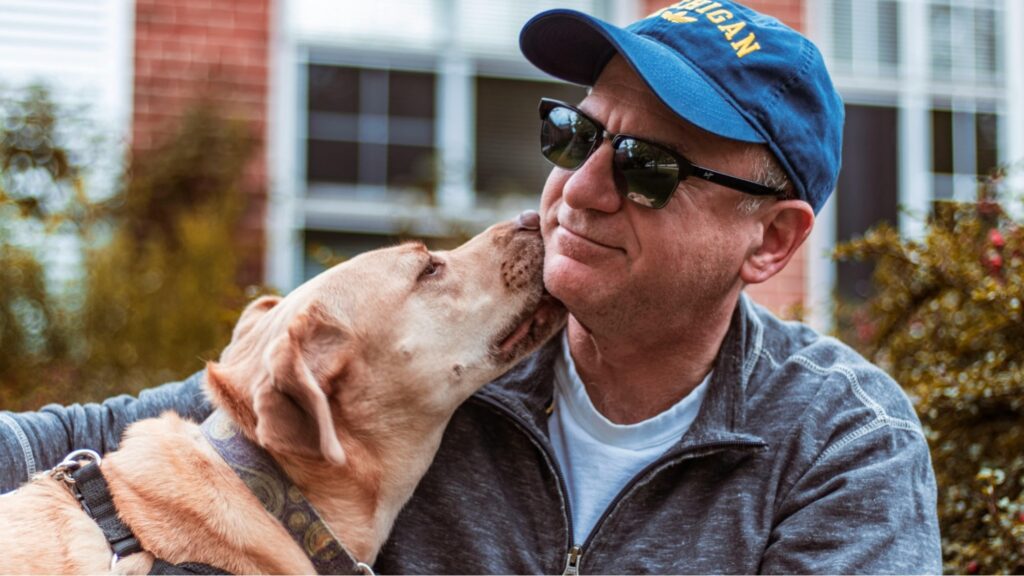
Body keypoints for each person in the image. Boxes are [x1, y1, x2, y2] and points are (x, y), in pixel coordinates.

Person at [1, 2, 941, 573]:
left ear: (770, 241)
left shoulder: (841, 446)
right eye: (576, 136)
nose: (579, 188)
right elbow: (97, 444)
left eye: (649, 167)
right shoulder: (429, 368)